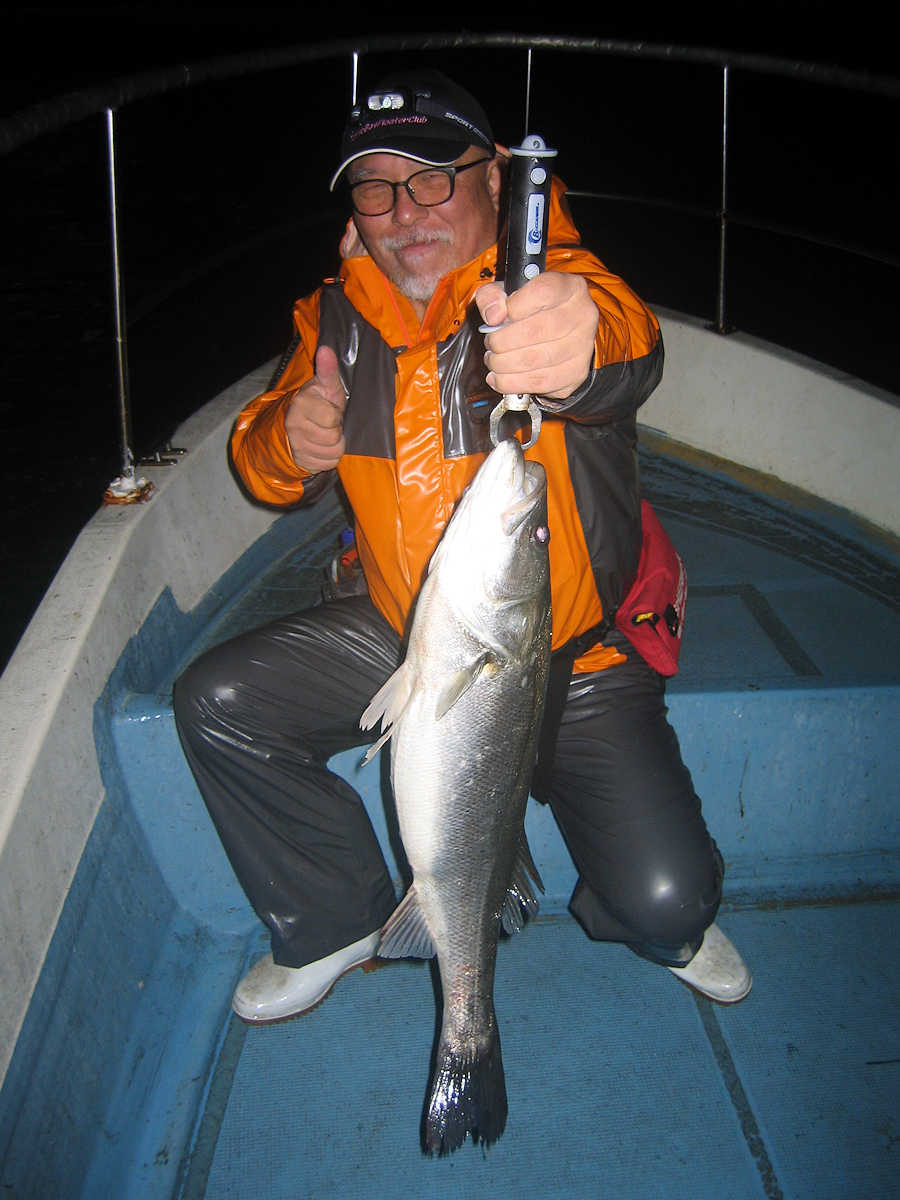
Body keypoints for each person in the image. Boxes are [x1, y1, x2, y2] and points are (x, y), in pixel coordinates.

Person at [173, 68, 751, 1024]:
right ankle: (336, 917)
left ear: (493, 178)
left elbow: (623, 340)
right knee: (217, 702)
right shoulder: (332, 319)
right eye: (377, 188)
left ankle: (643, 913)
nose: (407, 212)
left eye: (434, 177)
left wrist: (576, 346)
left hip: (579, 655)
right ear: (353, 210)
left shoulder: (554, 283)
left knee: (670, 903)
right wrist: (288, 437)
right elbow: (263, 459)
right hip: (406, 635)